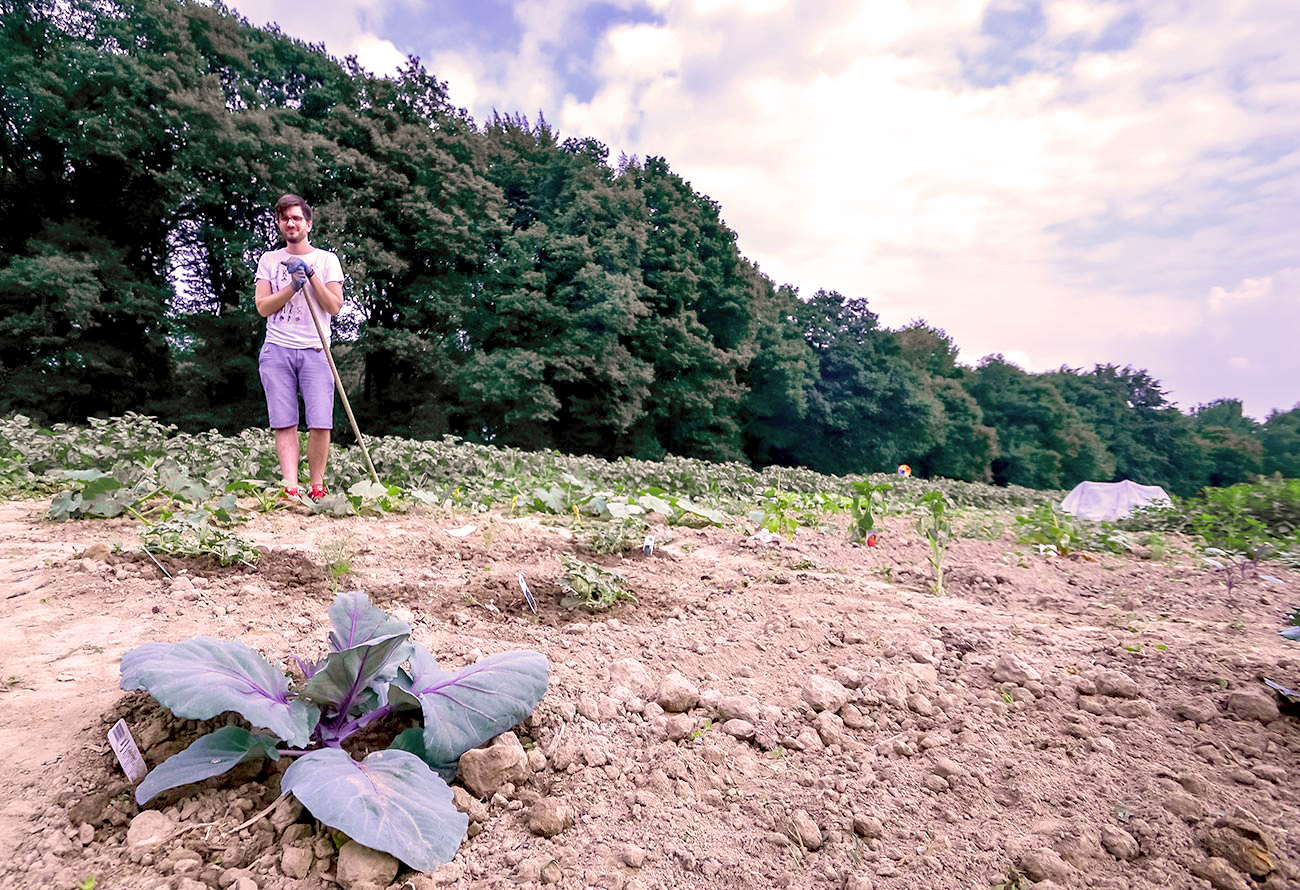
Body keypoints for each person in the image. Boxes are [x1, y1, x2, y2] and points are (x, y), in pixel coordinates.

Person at [254, 194, 345, 501]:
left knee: (320, 422)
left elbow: (334, 306)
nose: (290, 223)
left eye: (296, 218)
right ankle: (290, 486)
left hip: (316, 349)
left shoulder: (327, 260)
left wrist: (310, 274)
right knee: (285, 421)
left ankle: (317, 486)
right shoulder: (269, 260)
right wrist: (292, 286)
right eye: (284, 218)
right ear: (280, 224)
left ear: (308, 223)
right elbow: (263, 307)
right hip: (276, 349)